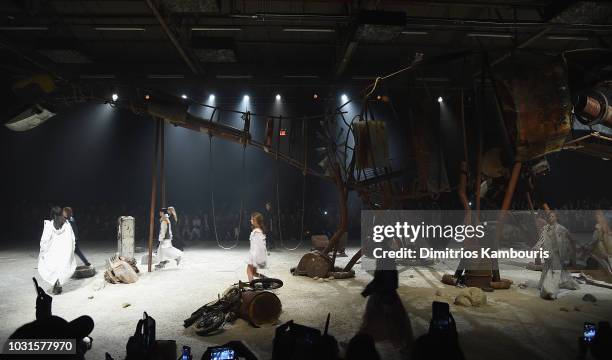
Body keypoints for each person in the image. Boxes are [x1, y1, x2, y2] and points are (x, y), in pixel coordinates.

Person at [537, 211, 579, 300]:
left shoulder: (561, 228)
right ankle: (543, 286)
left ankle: (551, 291)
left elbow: (570, 237)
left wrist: (572, 247)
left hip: (557, 252)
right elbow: (541, 240)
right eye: (549, 216)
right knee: (547, 268)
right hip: (548, 251)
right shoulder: (546, 228)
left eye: (552, 216)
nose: (550, 218)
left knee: (555, 271)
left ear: (556, 217)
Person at [38, 206, 77, 295]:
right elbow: (72, 238)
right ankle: (57, 285)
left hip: (57, 251)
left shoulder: (51, 225)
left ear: (53, 215)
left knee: (56, 268)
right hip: (61, 252)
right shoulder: (66, 224)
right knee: (59, 268)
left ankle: (57, 285)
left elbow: (44, 240)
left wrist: (43, 251)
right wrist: (71, 249)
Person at [247, 212, 268, 281]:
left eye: (252, 219)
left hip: (255, 256)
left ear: (255, 221)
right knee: (254, 273)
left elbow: (259, 246)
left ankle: (252, 285)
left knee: (249, 271)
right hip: (255, 255)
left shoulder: (257, 232)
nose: (250, 220)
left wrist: (254, 258)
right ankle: (266, 279)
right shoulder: (258, 230)